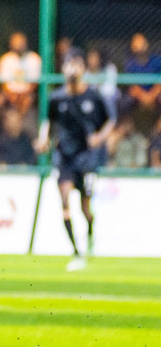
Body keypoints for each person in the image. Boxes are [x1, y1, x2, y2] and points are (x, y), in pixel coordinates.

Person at [36, 55, 115, 271]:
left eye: (76, 65)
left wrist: (99, 137)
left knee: (85, 207)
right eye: (68, 65)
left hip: (87, 158)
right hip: (65, 157)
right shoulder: (56, 98)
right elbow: (48, 122)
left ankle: (89, 233)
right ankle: (76, 252)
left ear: (83, 69)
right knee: (64, 201)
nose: (72, 70)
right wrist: (44, 138)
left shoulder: (94, 96)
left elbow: (110, 120)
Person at [0, 32, 42, 117]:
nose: (18, 46)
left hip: (28, 93)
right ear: (11, 44)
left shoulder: (34, 58)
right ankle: (6, 128)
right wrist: (11, 95)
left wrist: (23, 95)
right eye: (15, 43)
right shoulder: (5, 59)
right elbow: (3, 83)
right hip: (9, 93)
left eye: (20, 43)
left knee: (27, 101)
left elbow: (35, 83)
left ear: (25, 44)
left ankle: (20, 129)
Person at [123, 33, 161, 128]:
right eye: (137, 47)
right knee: (125, 102)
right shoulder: (130, 64)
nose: (141, 49)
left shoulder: (157, 61)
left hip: (155, 93)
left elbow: (159, 83)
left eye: (142, 45)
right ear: (133, 49)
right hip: (138, 95)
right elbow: (132, 86)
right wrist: (144, 97)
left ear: (147, 45)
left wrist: (151, 96)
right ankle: (127, 126)